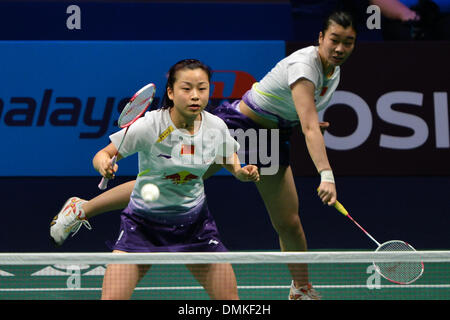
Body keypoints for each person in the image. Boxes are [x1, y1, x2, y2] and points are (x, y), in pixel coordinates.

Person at [51, 10, 357, 300]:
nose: (340, 47)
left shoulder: (334, 72)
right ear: (321, 37)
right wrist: (326, 175)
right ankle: (83, 208)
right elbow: (309, 128)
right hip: (242, 123)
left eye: (348, 41)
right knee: (172, 177)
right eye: (335, 39)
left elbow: (300, 115)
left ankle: (301, 288)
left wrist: (295, 125)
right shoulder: (304, 67)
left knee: (288, 221)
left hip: (272, 134)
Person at [50, 59, 259, 300]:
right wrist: (104, 165)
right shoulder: (150, 125)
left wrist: (239, 171)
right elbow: (103, 153)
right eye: (186, 88)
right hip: (142, 226)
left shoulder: (215, 126)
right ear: (170, 92)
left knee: (230, 303)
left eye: (202, 88)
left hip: (194, 227)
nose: (195, 96)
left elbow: (226, 153)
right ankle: (80, 207)